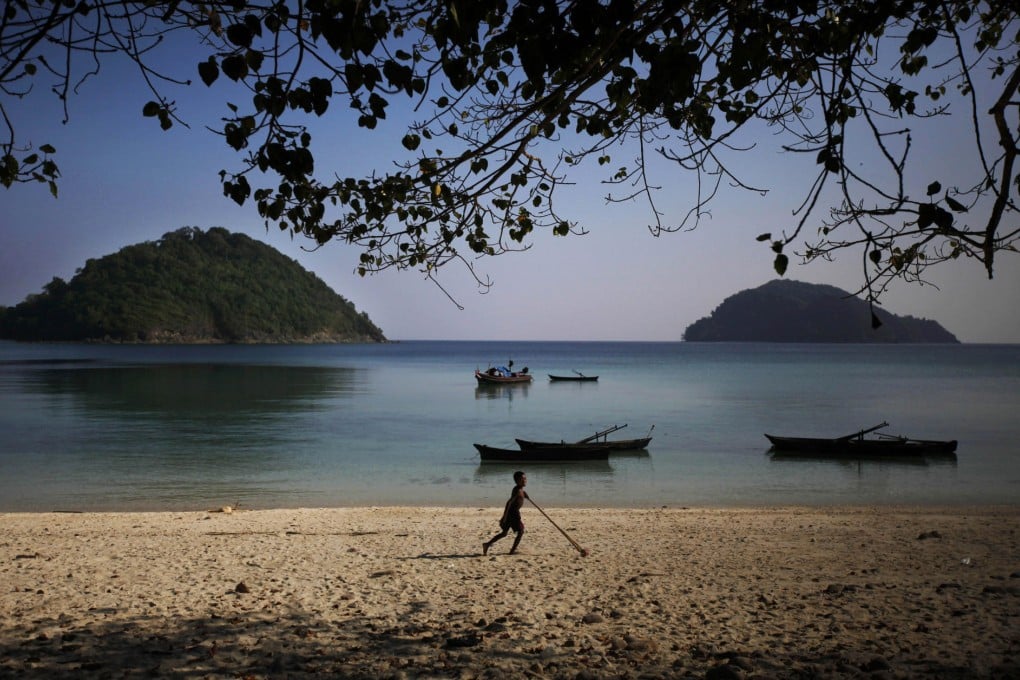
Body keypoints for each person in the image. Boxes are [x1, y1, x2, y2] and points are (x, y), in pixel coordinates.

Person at [483, 470, 528, 555]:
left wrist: (525, 495)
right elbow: (509, 503)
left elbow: (521, 493)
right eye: (522, 479)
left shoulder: (520, 490)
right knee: (521, 531)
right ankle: (512, 552)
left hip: (512, 514)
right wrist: (504, 517)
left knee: (504, 533)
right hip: (513, 514)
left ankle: (487, 544)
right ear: (517, 481)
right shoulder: (517, 490)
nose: (525, 480)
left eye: (525, 479)